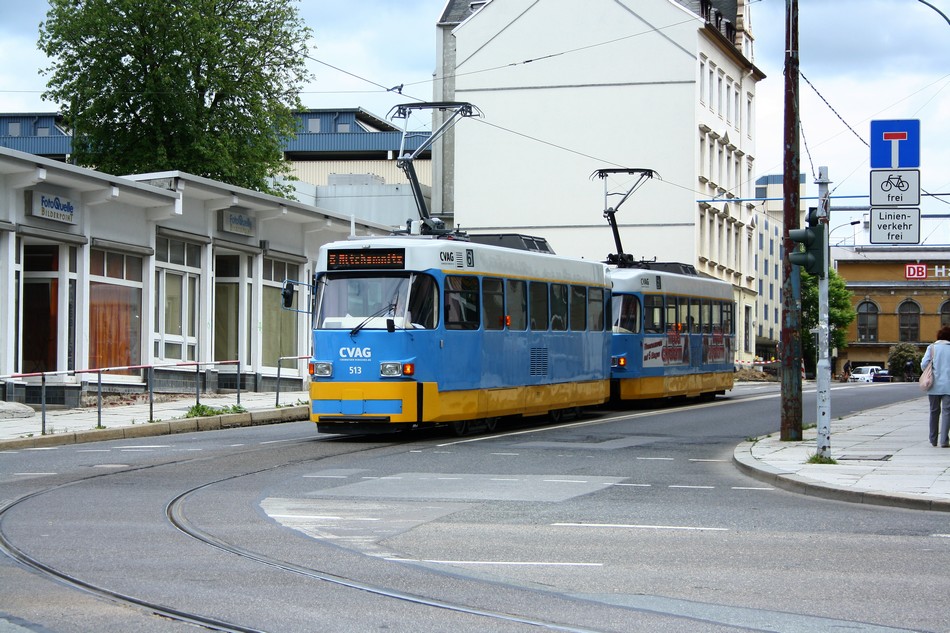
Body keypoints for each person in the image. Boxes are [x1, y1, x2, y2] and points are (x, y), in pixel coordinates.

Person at [921, 325, 950, 447]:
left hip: (933, 385)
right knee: (947, 412)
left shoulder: (931, 348)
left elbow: (924, 364)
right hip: (948, 385)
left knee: (934, 412)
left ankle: (933, 439)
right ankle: (944, 440)